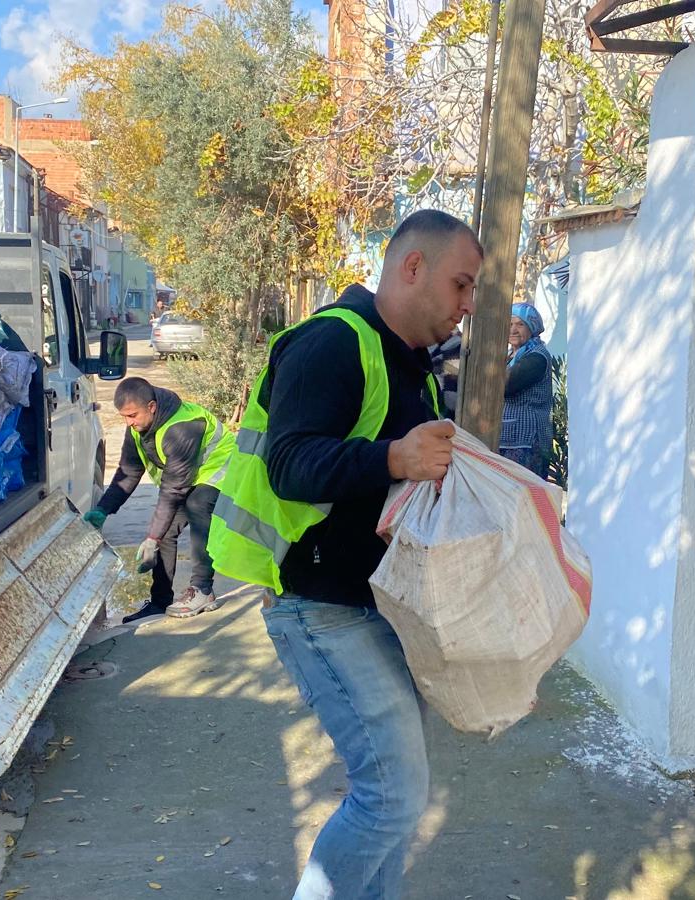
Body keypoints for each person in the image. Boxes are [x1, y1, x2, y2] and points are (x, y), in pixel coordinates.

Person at [208, 209, 481, 899]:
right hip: (318, 606)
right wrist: (395, 455)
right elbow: (290, 465)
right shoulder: (333, 341)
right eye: (461, 284)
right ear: (412, 267)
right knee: (391, 797)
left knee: (395, 799)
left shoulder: (412, 367)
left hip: (378, 605)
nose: (467, 305)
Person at [83, 377, 235, 619]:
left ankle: (202, 590)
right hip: (189, 476)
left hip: (221, 472)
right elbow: (129, 471)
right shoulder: (138, 426)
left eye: (132, 415)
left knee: (196, 506)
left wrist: (152, 537)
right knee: (164, 531)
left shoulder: (183, 427)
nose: (128, 422)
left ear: (151, 407)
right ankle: (159, 601)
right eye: (124, 416)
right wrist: (103, 509)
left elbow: (173, 490)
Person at [500, 302, 554, 476]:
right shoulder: (511, 355)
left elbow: (506, 385)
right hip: (509, 440)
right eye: (509, 324)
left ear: (531, 327)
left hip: (526, 444)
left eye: (520, 324)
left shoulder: (536, 356)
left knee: (523, 496)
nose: (513, 329)